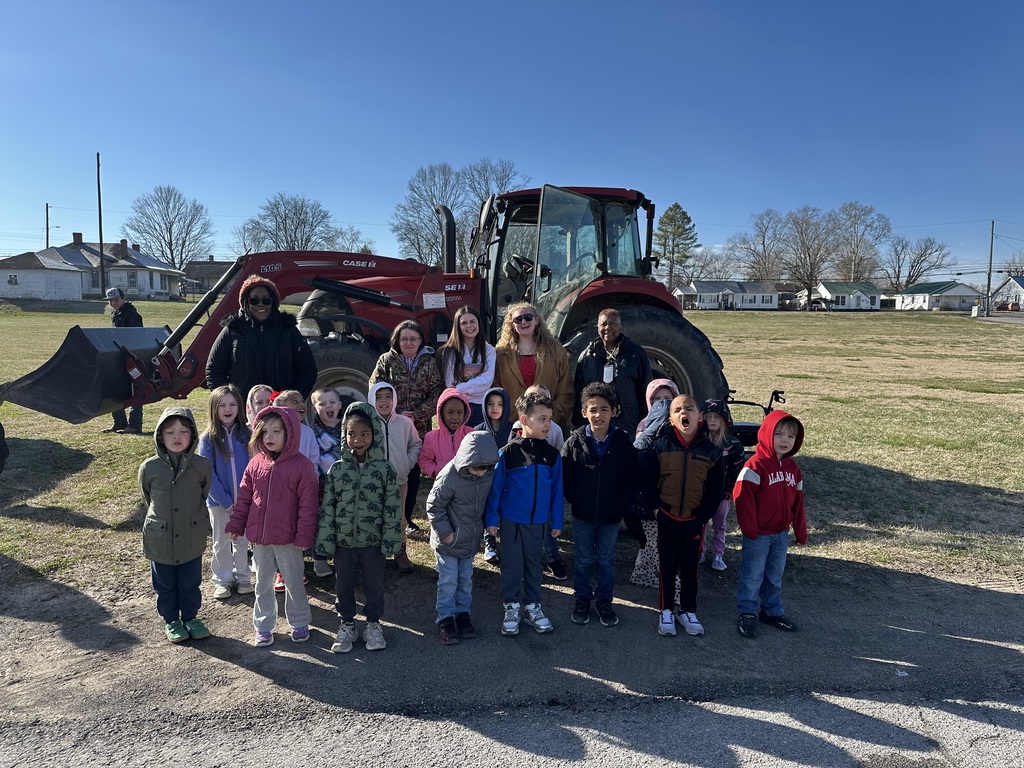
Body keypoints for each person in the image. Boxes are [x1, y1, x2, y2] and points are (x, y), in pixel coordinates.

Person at [226, 406, 319, 647]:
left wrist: (303, 536)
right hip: (261, 541)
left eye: (276, 431)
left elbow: (308, 507)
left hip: (289, 540)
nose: (270, 437)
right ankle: (263, 625)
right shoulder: (255, 464)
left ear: (290, 433)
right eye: (265, 431)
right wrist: (237, 523)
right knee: (263, 584)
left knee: (294, 582)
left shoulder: (302, 467)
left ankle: (299, 622)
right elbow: (245, 497)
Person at [635, 394, 724, 638]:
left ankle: (688, 610)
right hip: (667, 517)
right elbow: (648, 481)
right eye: (677, 410)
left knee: (690, 567)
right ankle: (665, 610)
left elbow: (716, 491)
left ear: (699, 416)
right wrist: (656, 511)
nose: (684, 413)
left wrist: (702, 517)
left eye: (690, 409)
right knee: (667, 566)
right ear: (672, 419)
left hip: (694, 521)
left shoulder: (712, 451)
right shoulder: (660, 445)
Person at [316, 402, 402, 653]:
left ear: (374, 434)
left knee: (374, 584)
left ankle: (373, 624)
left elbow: (392, 507)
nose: (358, 440)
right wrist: (325, 543)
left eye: (364, 434)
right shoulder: (337, 470)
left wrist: (391, 541)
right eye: (351, 434)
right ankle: (347, 624)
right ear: (344, 436)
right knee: (343, 585)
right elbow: (328, 508)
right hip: (344, 543)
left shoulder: (384, 470)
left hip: (373, 542)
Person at [484, 391, 563, 637]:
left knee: (533, 566)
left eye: (549, 419)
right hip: (511, 522)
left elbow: (557, 491)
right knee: (512, 566)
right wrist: (491, 520)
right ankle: (511, 606)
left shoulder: (552, 455)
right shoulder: (508, 453)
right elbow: (495, 489)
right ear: (525, 420)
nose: (547, 424)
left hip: (538, 523)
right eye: (542, 419)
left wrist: (556, 521)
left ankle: (532, 605)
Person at [561, 383, 638, 628]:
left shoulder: (623, 443)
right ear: (584, 412)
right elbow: (566, 476)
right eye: (593, 409)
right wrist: (575, 497)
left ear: (613, 411)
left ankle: (604, 601)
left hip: (611, 516)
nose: (598, 415)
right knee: (583, 560)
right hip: (583, 514)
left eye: (604, 409)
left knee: (605, 560)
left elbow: (631, 477)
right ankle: (582, 600)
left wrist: (620, 502)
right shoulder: (574, 442)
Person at [138, 407, 213, 643]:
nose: (177, 437)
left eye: (183, 431)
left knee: (190, 581)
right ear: (160, 436)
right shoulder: (149, 468)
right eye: (170, 432)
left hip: (191, 535)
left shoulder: (201, 466)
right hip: (161, 538)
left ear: (192, 434)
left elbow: (203, 493)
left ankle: (191, 617)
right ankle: (171, 620)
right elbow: (147, 497)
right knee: (165, 583)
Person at [734, 410, 806, 639]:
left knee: (775, 575)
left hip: (781, 533)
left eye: (791, 437)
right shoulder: (755, 465)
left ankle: (772, 611)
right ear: (766, 434)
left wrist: (800, 531)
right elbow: (742, 498)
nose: (785, 440)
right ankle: (747, 612)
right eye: (779, 434)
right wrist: (750, 529)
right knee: (753, 574)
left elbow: (798, 502)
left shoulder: (794, 469)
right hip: (758, 535)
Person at [368, 320, 443, 534]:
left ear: (420, 340)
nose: (409, 342)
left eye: (413, 338)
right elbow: (375, 386)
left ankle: (406, 518)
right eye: (404, 339)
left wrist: (417, 414)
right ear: (397, 341)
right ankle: (382, 515)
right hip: (389, 426)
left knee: (411, 473)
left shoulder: (429, 362)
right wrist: (395, 413)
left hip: (418, 427)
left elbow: (437, 392)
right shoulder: (386, 360)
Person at [426, 430, 499, 644]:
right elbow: (434, 506)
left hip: (469, 539)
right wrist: (447, 535)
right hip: (449, 540)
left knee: (465, 579)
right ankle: (446, 619)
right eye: (476, 467)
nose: (480, 472)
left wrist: (489, 525)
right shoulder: (450, 476)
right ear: (466, 459)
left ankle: (463, 613)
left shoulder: (487, 474)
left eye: (485, 467)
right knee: (448, 580)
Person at [206, 275, 318, 400]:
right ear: (245, 302)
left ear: (273, 302)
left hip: (280, 411)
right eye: (254, 300)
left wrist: (293, 400)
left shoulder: (288, 330)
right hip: (244, 412)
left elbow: (307, 370)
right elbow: (214, 371)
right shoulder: (233, 330)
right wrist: (229, 402)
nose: (260, 305)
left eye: (266, 300)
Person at [196, 385, 253, 599]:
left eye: (232, 404)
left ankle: (243, 577)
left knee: (242, 540)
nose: (228, 409)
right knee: (221, 541)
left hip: (244, 502)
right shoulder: (207, 439)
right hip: (219, 504)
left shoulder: (246, 435)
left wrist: (246, 499)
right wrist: (226, 501)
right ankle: (222, 579)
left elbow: (253, 467)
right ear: (214, 408)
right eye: (222, 405)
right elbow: (207, 473)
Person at [629, 379, 681, 593]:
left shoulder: (682, 424)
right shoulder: (645, 425)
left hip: (674, 495)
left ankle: (644, 576)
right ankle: (670, 587)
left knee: (662, 542)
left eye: (668, 399)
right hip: (651, 497)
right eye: (657, 399)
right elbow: (638, 456)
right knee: (656, 542)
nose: (662, 405)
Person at [368, 381, 421, 574]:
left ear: (394, 399)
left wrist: (407, 463)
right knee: (375, 517)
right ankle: (375, 554)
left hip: (399, 480)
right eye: (379, 397)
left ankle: (400, 551)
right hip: (374, 484)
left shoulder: (405, 423)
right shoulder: (367, 423)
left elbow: (415, 444)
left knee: (399, 517)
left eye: (388, 397)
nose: (384, 402)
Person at [572, 308, 652, 436]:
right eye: (603, 324)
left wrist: (645, 422)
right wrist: (579, 424)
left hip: (628, 424)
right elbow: (579, 393)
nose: (608, 327)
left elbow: (646, 389)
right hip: (597, 424)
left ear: (621, 327)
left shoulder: (635, 354)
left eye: (613, 324)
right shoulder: (587, 357)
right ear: (597, 327)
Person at [493, 302, 574, 428]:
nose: (523, 322)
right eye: (518, 319)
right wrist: (507, 417)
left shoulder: (556, 350)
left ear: (536, 320)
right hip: (512, 425)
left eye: (528, 317)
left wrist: (551, 417)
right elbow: (496, 388)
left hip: (548, 426)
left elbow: (565, 390)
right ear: (513, 325)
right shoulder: (501, 354)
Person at [699, 398, 746, 572]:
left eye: (716, 417)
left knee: (720, 525)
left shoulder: (733, 445)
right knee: (700, 524)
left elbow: (737, 470)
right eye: (709, 416)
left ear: (725, 421)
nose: (712, 420)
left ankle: (718, 554)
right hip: (701, 494)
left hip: (722, 495)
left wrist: (729, 491)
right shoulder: (699, 442)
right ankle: (700, 552)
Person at [438, 306, 496, 427]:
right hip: (457, 406)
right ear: (458, 326)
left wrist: (460, 387)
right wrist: (473, 388)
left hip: (480, 407)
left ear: (479, 323)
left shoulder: (489, 350)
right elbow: (450, 383)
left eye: (472, 321)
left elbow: (486, 381)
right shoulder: (449, 352)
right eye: (464, 323)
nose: (469, 326)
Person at [474, 387, 512, 564]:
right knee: (487, 510)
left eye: (499, 404)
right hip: (485, 479)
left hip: (507, 480)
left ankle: (508, 542)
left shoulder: (513, 430)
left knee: (504, 511)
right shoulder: (478, 430)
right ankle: (490, 545)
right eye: (490, 404)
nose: (495, 408)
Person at [310, 387, 344, 578]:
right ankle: (320, 558)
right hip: (321, 483)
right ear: (315, 408)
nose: (328, 407)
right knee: (321, 520)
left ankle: (342, 556)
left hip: (344, 483)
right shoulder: (312, 431)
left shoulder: (347, 426)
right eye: (322, 403)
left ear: (339, 405)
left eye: (332, 402)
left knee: (342, 518)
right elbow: (314, 456)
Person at [104, 287, 144, 435]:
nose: (113, 303)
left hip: (131, 358)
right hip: (119, 356)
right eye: (111, 300)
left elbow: (134, 337)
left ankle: (135, 424)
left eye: (116, 300)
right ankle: (119, 423)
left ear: (123, 298)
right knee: (115, 388)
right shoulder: (116, 314)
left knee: (137, 389)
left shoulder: (132, 314)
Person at [418, 388, 473, 481]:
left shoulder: (471, 434)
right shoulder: (432, 437)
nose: (455, 417)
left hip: (466, 483)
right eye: (450, 413)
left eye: (459, 413)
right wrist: (435, 470)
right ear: (442, 413)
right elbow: (424, 459)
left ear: (465, 414)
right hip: (442, 482)